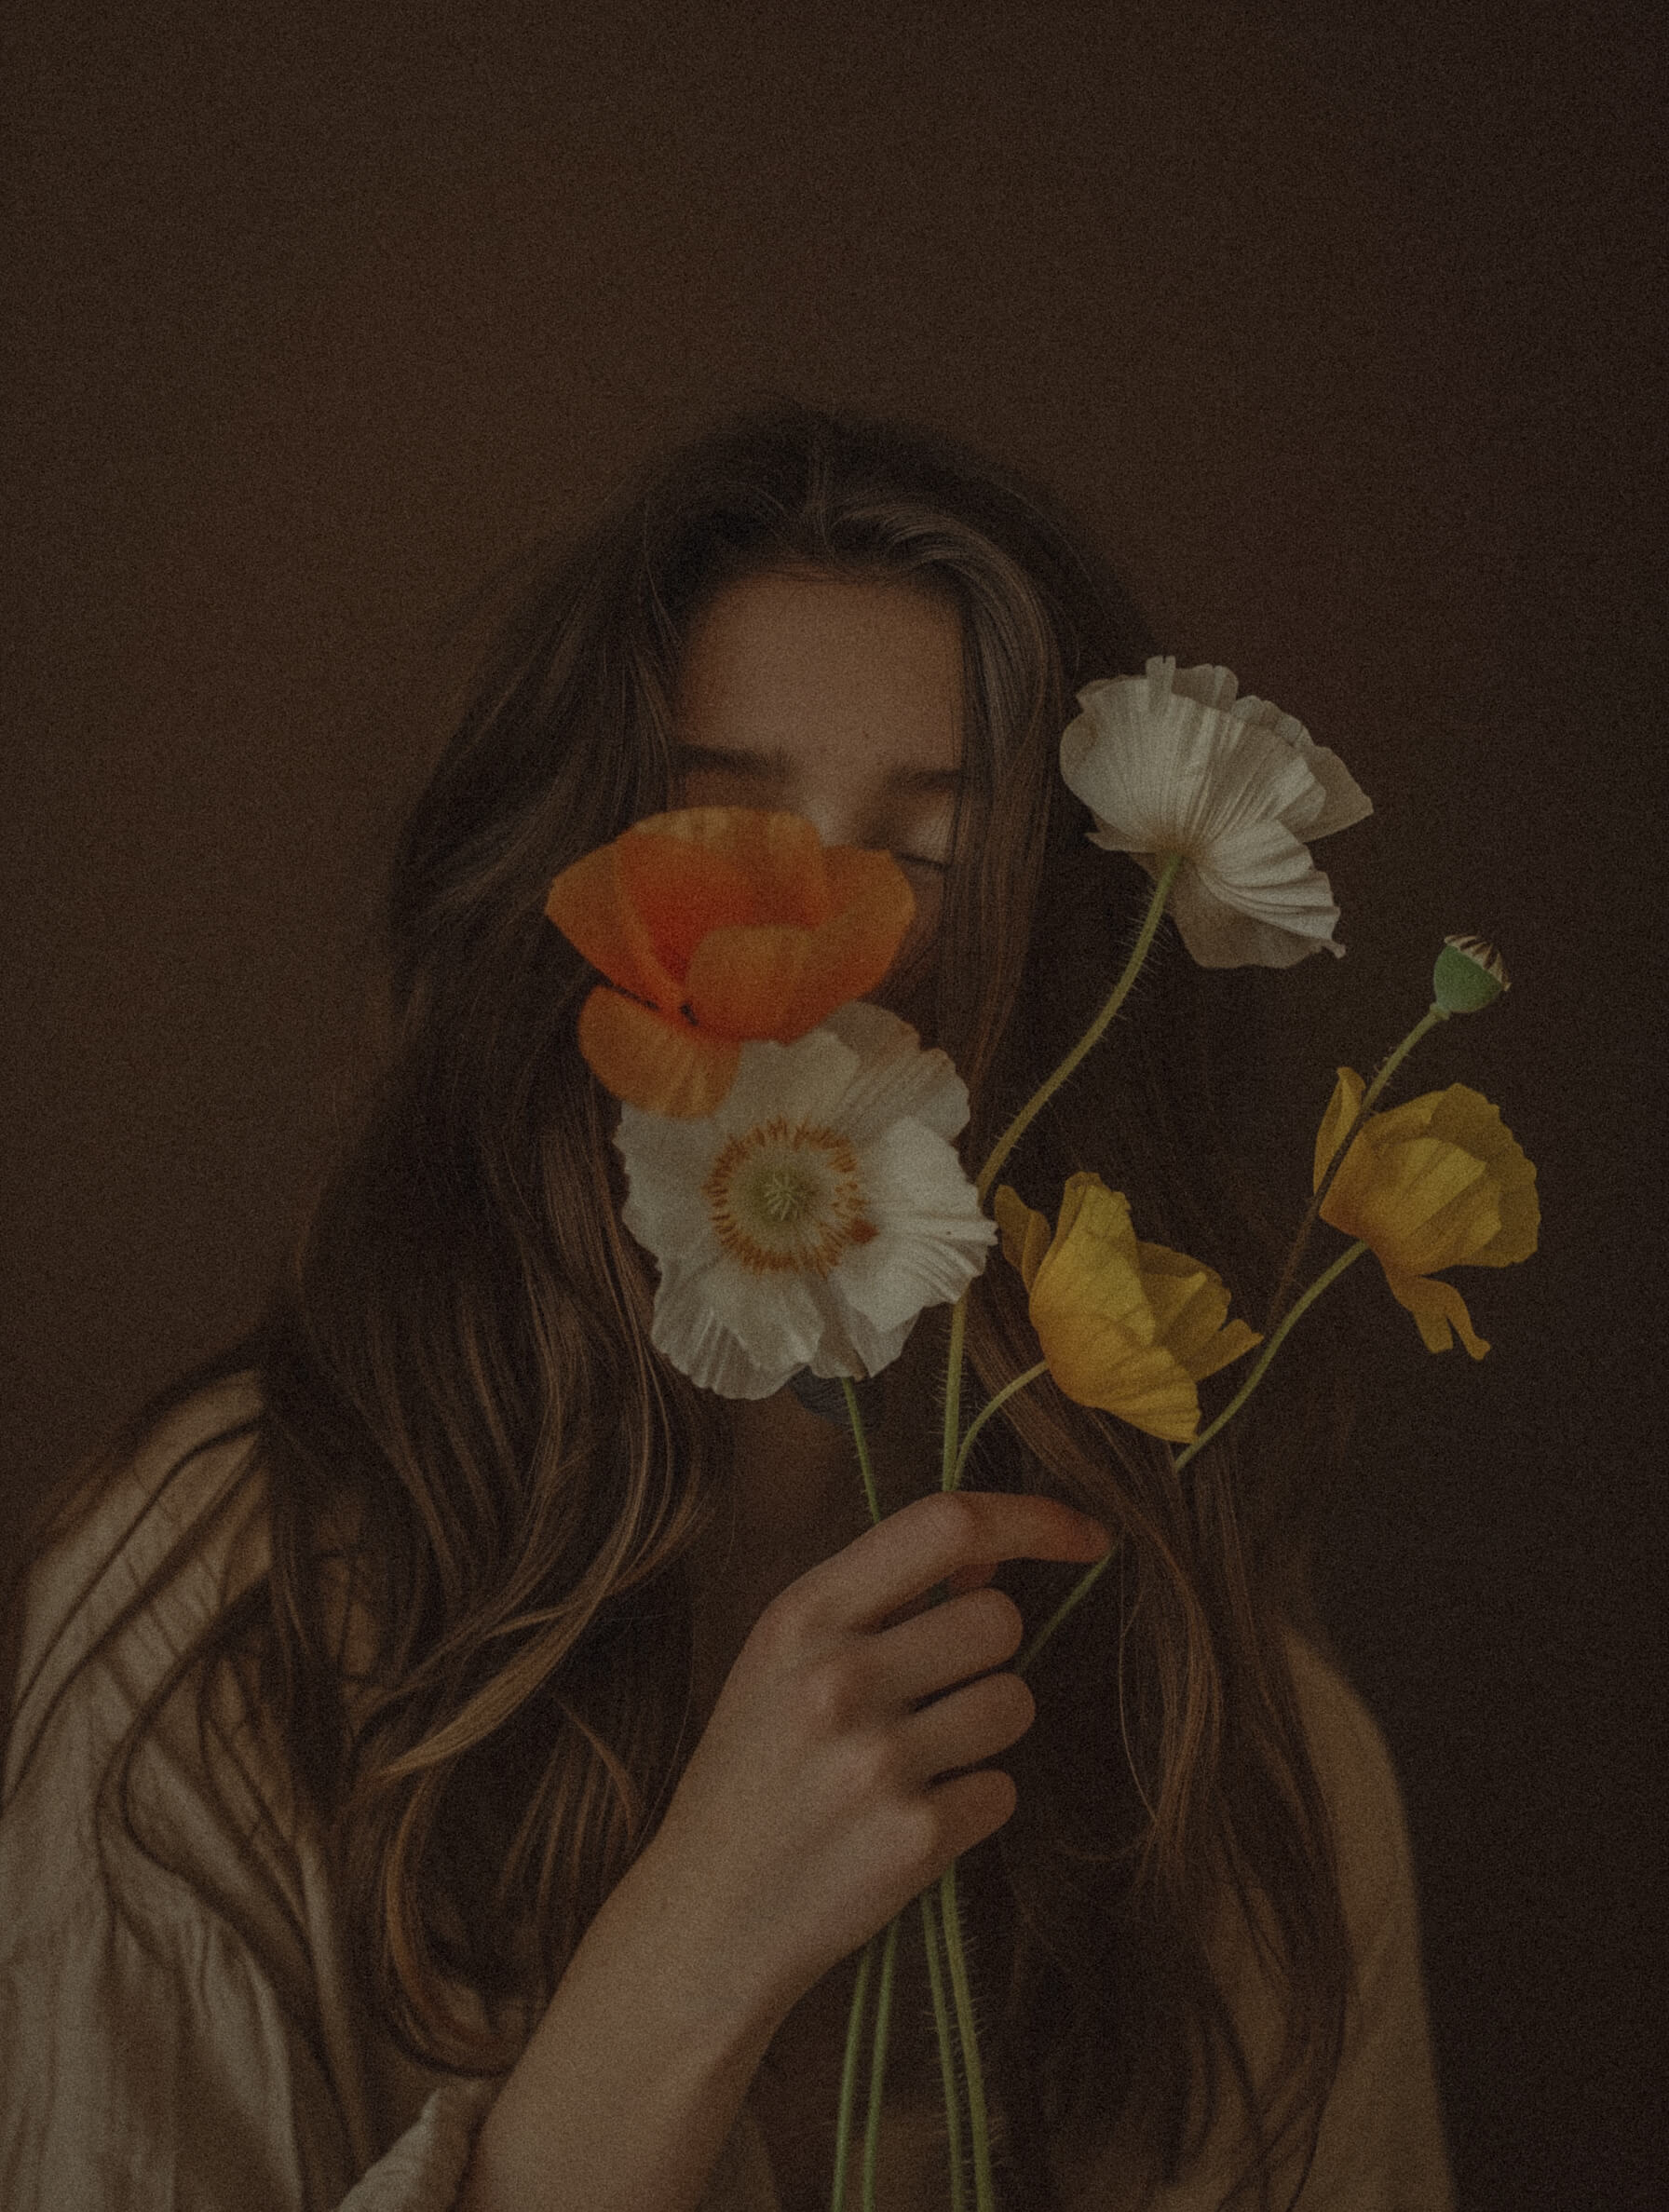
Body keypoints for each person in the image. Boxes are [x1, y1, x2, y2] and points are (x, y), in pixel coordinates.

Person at [0, 407, 1456, 2211]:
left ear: (1065, 968)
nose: (821, 936)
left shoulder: (1238, 1753)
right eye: (722, 829)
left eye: (926, 859)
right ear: (558, 917)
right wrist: (677, 1981)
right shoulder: (213, 1618)